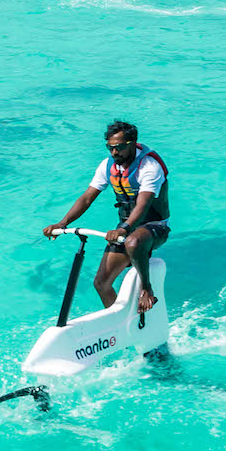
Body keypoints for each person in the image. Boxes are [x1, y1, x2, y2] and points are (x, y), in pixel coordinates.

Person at [43, 120, 170, 312]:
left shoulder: (149, 167)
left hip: (155, 226)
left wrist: (123, 228)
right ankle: (120, 322)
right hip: (126, 228)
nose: (114, 153)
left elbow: (143, 205)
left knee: (133, 242)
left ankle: (147, 288)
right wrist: (62, 223)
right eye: (110, 148)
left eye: (119, 147)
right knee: (101, 283)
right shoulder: (107, 166)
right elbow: (86, 199)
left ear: (132, 143)